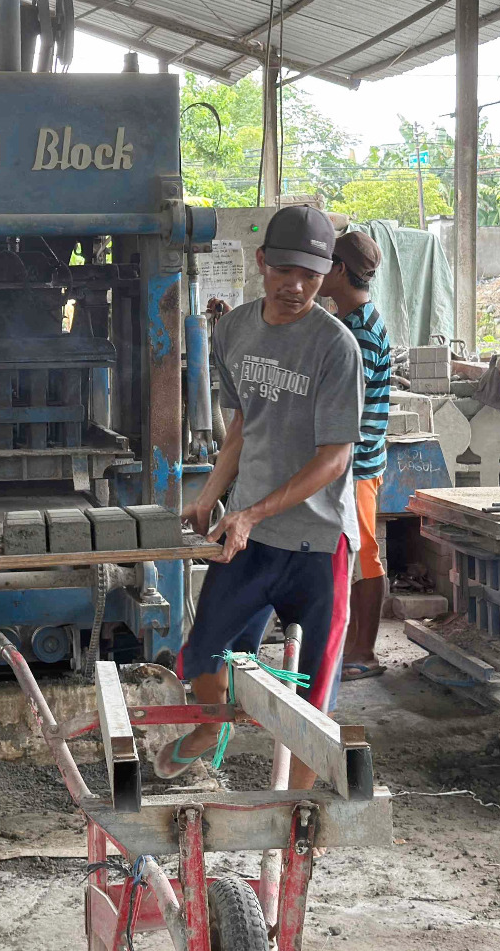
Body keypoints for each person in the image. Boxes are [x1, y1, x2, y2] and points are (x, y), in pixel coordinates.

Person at [157, 205, 363, 790]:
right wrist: (209, 497)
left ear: (327, 276)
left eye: (311, 276)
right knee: (203, 653)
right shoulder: (233, 331)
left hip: (318, 542)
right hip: (249, 536)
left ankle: (295, 815)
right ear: (261, 261)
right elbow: (242, 427)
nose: (295, 286)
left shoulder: (336, 347)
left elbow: (335, 458)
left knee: (311, 705)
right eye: (284, 271)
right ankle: (209, 729)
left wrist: (252, 511)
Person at [319, 231, 392, 680]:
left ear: (340, 269)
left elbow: (347, 402)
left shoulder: (361, 331)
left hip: (358, 465)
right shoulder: (350, 320)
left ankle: (365, 652)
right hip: (349, 463)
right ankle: (349, 645)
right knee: (351, 556)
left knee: (365, 558)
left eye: (325, 264)